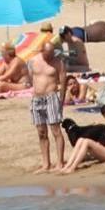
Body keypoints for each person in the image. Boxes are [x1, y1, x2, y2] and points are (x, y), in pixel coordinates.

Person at [57, 104, 105, 174]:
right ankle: (67, 166)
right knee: (81, 140)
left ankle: (73, 167)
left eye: (104, 116)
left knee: (87, 141)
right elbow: (102, 125)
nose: (104, 118)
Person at [29, 39, 69, 174]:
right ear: (42, 51)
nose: (51, 55)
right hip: (36, 99)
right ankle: (46, 164)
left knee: (56, 131)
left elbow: (63, 84)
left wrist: (61, 102)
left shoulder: (58, 63)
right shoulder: (33, 61)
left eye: (53, 52)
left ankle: (60, 163)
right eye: (49, 53)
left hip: (51, 97)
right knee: (41, 132)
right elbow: (32, 79)